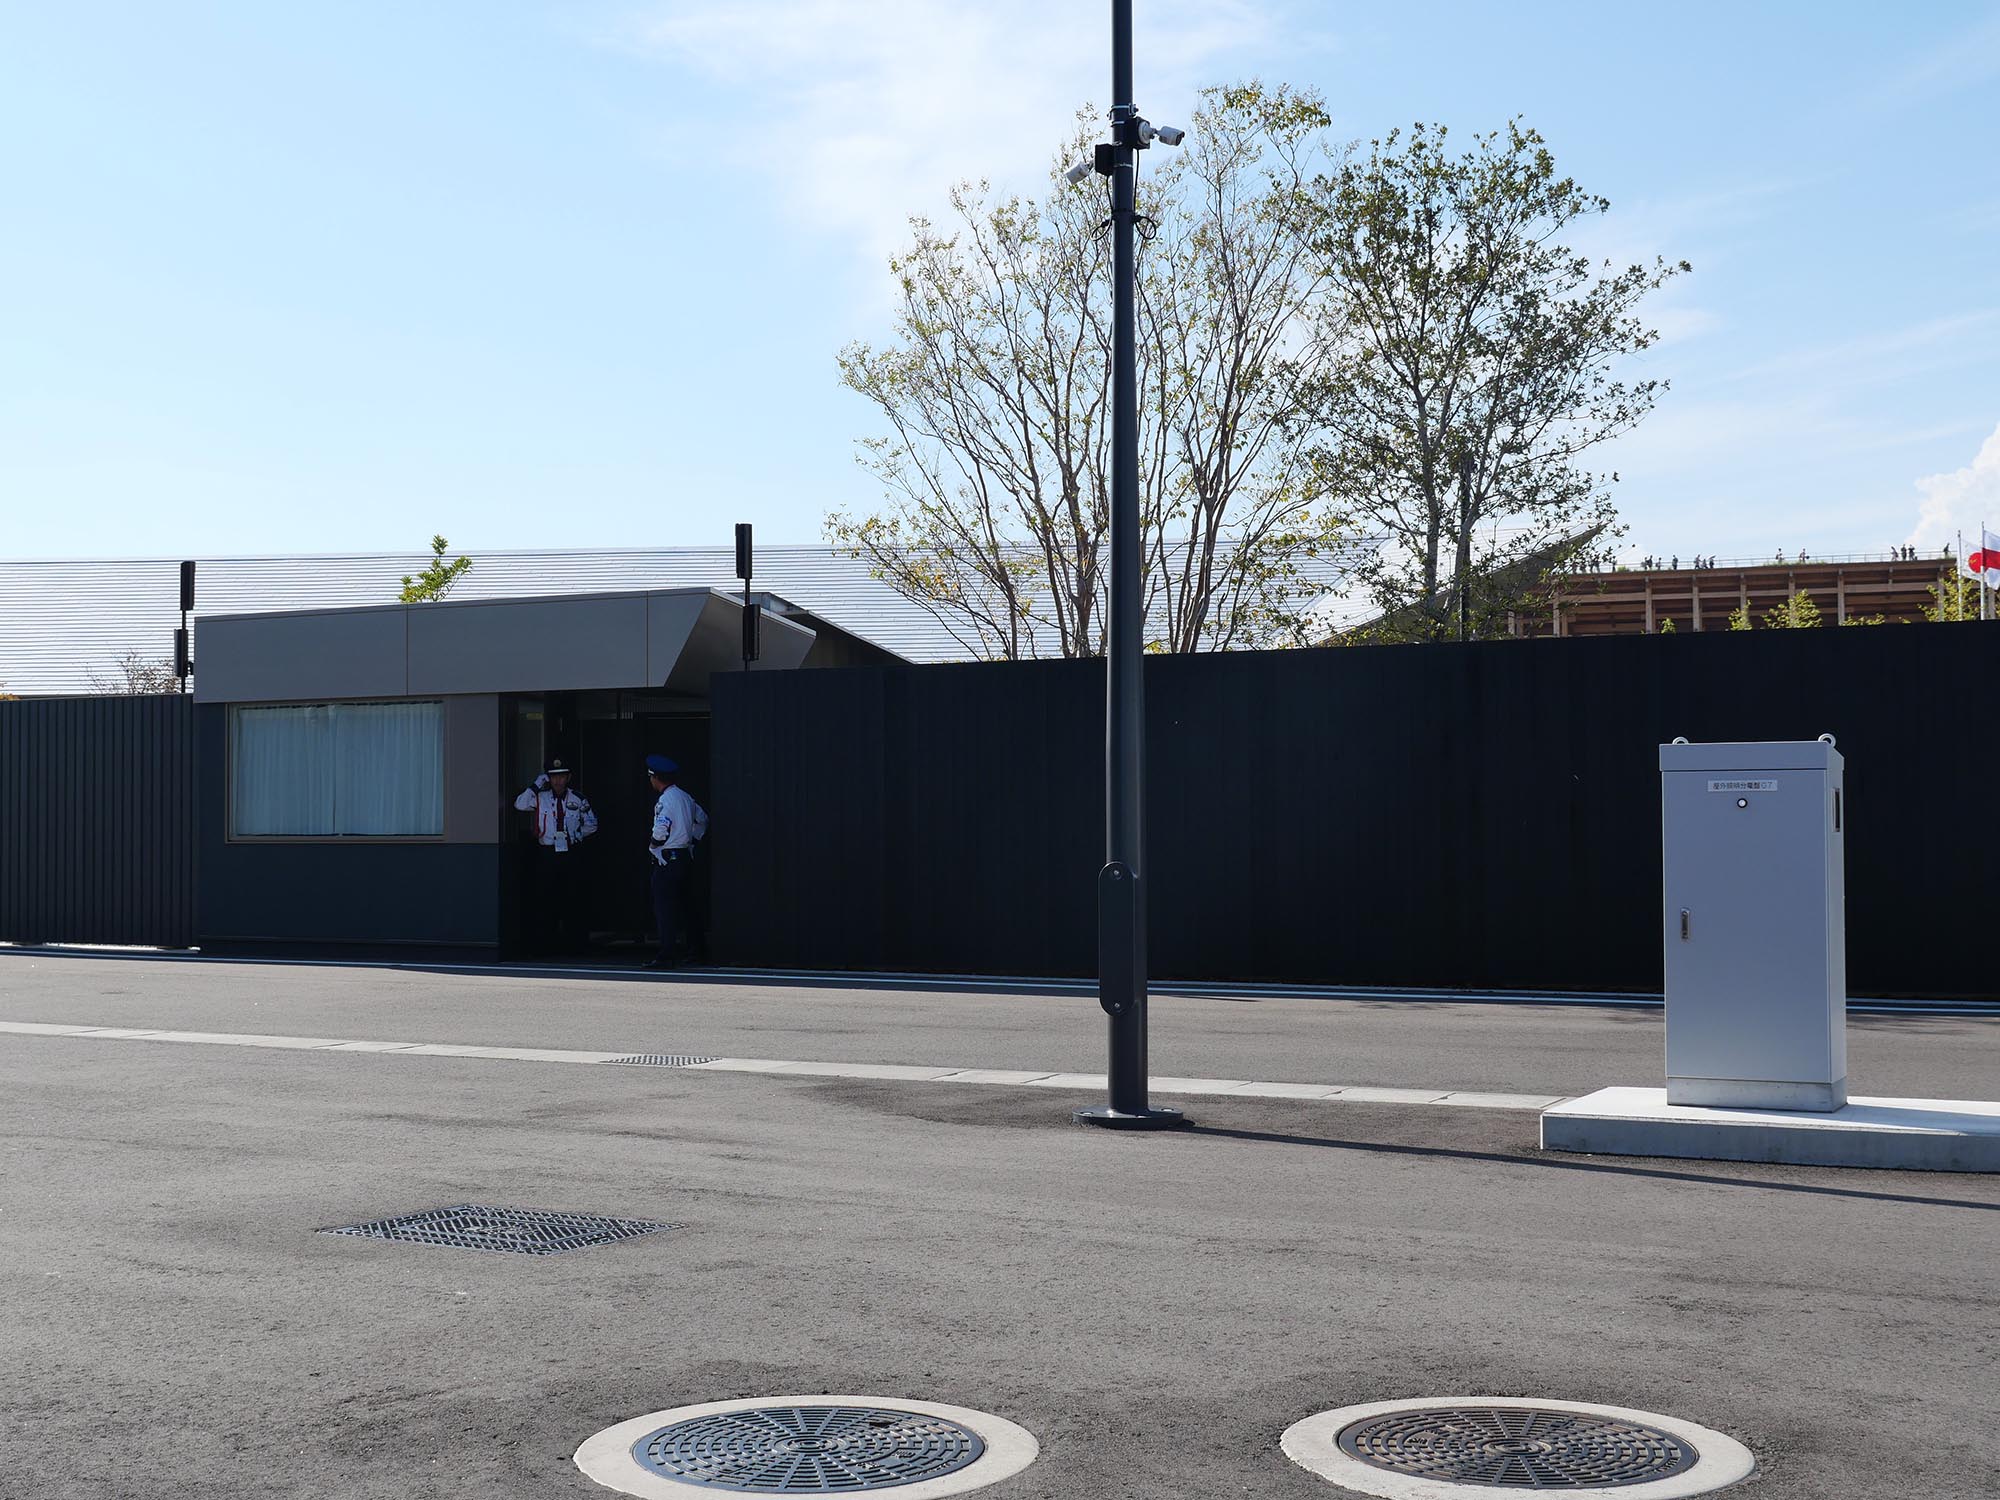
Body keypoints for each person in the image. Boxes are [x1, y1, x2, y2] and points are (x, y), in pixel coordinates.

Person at [513, 757, 598, 953]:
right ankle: (545, 944)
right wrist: (536, 784)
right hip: (547, 853)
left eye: (561, 777)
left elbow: (592, 824)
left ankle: (575, 944)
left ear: (568, 778)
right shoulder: (540, 797)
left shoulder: (577, 798)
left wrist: (575, 835)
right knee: (545, 897)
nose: (558, 781)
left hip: (570, 852)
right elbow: (519, 804)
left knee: (572, 897)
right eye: (553, 777)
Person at [642, 753, 709, 970]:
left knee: (665, 908)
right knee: (689, 907)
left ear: (655, 778)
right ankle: (696, 952)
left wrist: (653, 845)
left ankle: (666, 954)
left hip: (667, 858)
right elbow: (703, 819)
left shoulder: (665, 800)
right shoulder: (685, 797)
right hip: (684, 856)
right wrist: (692, 839)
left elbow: (661, 830)